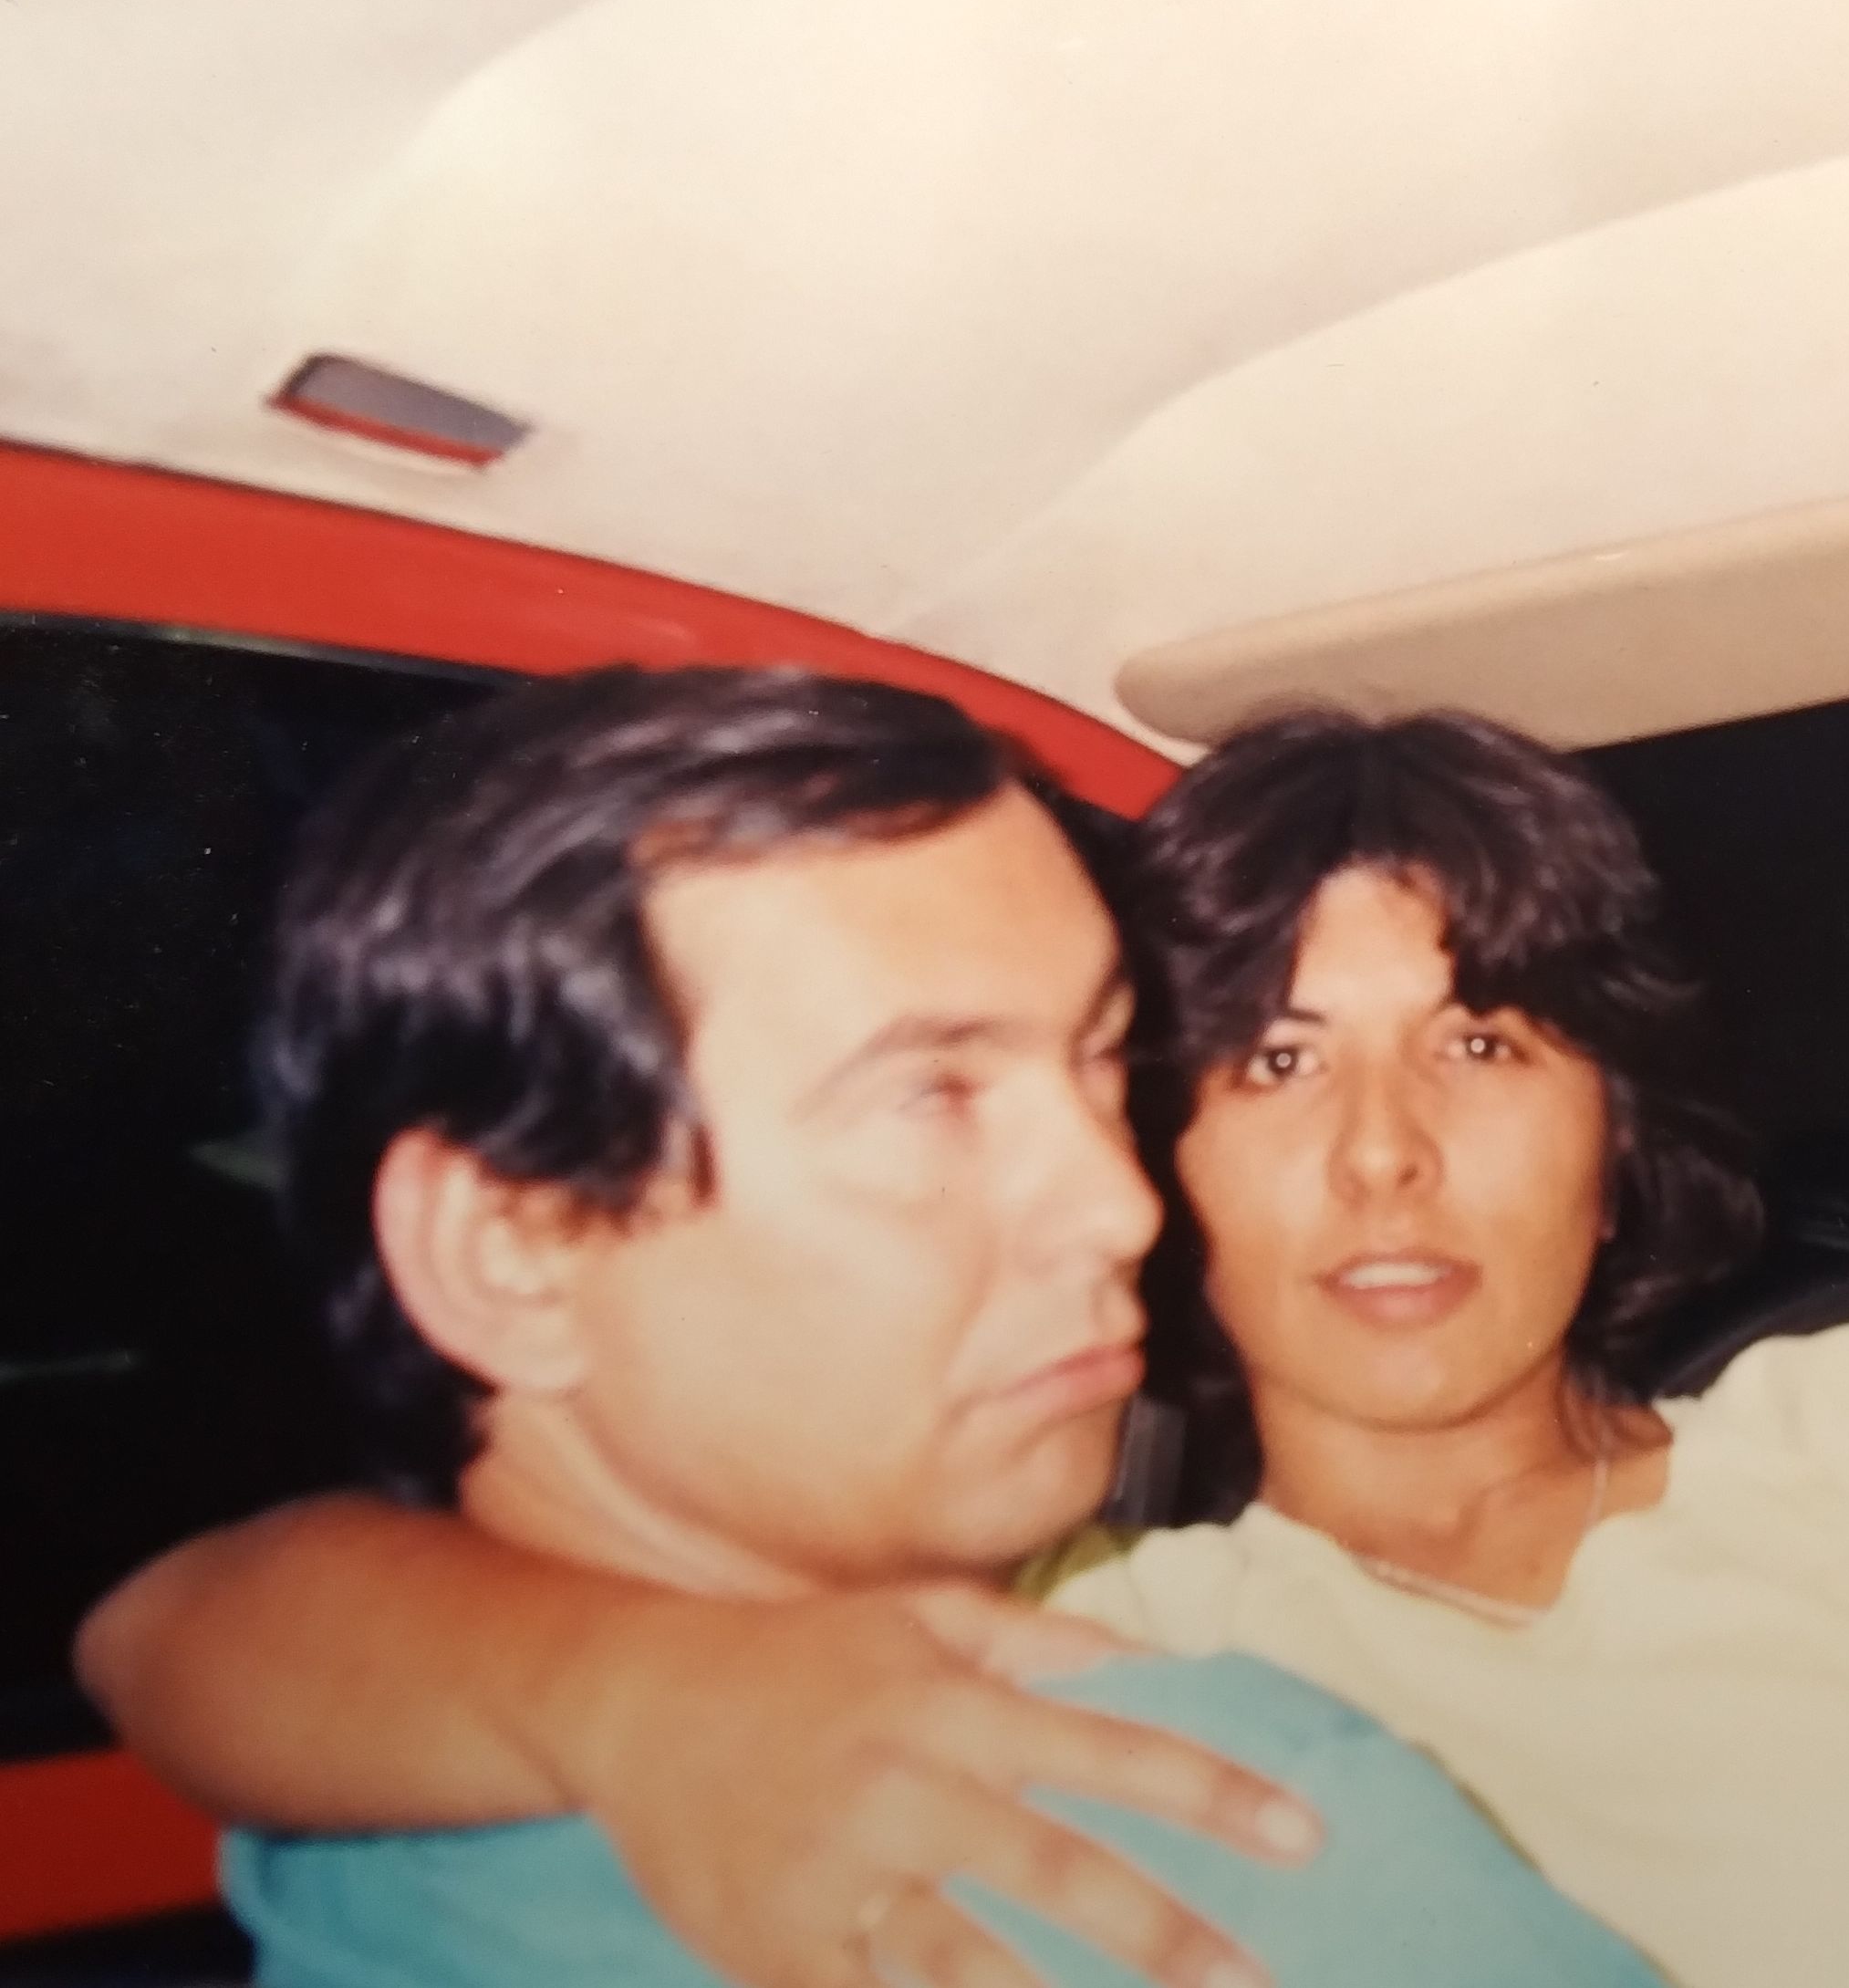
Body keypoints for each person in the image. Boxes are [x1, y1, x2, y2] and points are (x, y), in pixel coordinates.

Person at [85, 706, 1849, 1988]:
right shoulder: (1079, 1622)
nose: (1384, 1159)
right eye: (1269, 1064)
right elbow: (187, 1633)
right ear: (1165, 1152)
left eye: (1482, 1041)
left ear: (1609, 1122)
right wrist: (635, 1694)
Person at [77, 670, 1667, 1988]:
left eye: (1102, 1061)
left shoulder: (367, 1801)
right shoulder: (1221, 1822)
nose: (1120, 1203)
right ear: (510, 1246)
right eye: (930, 1093)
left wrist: (614, 1690)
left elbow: (157, 1629)